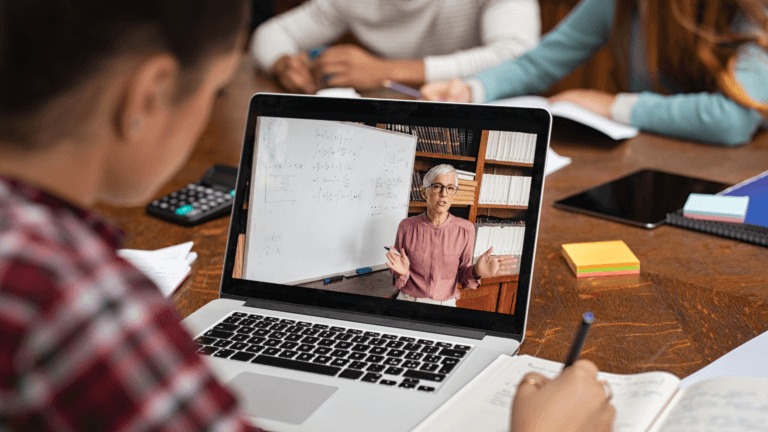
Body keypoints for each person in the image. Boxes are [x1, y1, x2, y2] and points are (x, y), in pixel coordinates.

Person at [0, 2, 612, 431]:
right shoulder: (77, 302)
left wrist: (474, 271)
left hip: (441, 324)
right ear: (147, 97)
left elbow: (465, 281)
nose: (444, 200)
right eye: (216, 89)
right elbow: (398, 281)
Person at [421, 0, 768, 146]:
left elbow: (733, 119)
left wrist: (614, 105)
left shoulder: (747, 11)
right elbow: (539, 62)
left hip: (728, 180)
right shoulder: (619, 4)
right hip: (646, 162)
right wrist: (472, 89)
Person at [250, 0, 541, 93]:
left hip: (474, 116)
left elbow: (519, 56)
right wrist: (283, 63)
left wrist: (385, 71)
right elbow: (271, 32)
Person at [386, 164, 517, 306]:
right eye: (437, 186)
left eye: (450, 188)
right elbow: (399, 280)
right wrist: (402, 273)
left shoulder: (466, 229)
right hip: (408, 300)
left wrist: (477, 271)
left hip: (446, 304)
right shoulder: (406, 226)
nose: (444, 193)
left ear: (454, 194)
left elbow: (463, 278)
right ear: (424, 193)